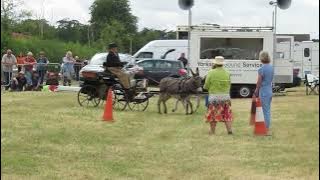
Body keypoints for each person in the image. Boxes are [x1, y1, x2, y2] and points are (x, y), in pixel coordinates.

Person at [204, 56, 233, 135]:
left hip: (214, 97)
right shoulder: (227, 72)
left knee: (213, 115)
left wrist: (208, 88)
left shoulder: (211, 72)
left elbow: (206, 85)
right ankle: (229, 130)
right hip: (226, 97)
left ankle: (212, 131)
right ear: (222, 64)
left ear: (215, 64)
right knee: (227, 114)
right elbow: (229, 84)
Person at [254, 51, 274, 135]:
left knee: (264, 111)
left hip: (264, 91)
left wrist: (256, 90)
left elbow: (259, 81)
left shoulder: (261, 69)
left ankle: (265, 129)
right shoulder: (271, 67)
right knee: (267, 110)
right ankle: (267, 128)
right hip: (269, 89)